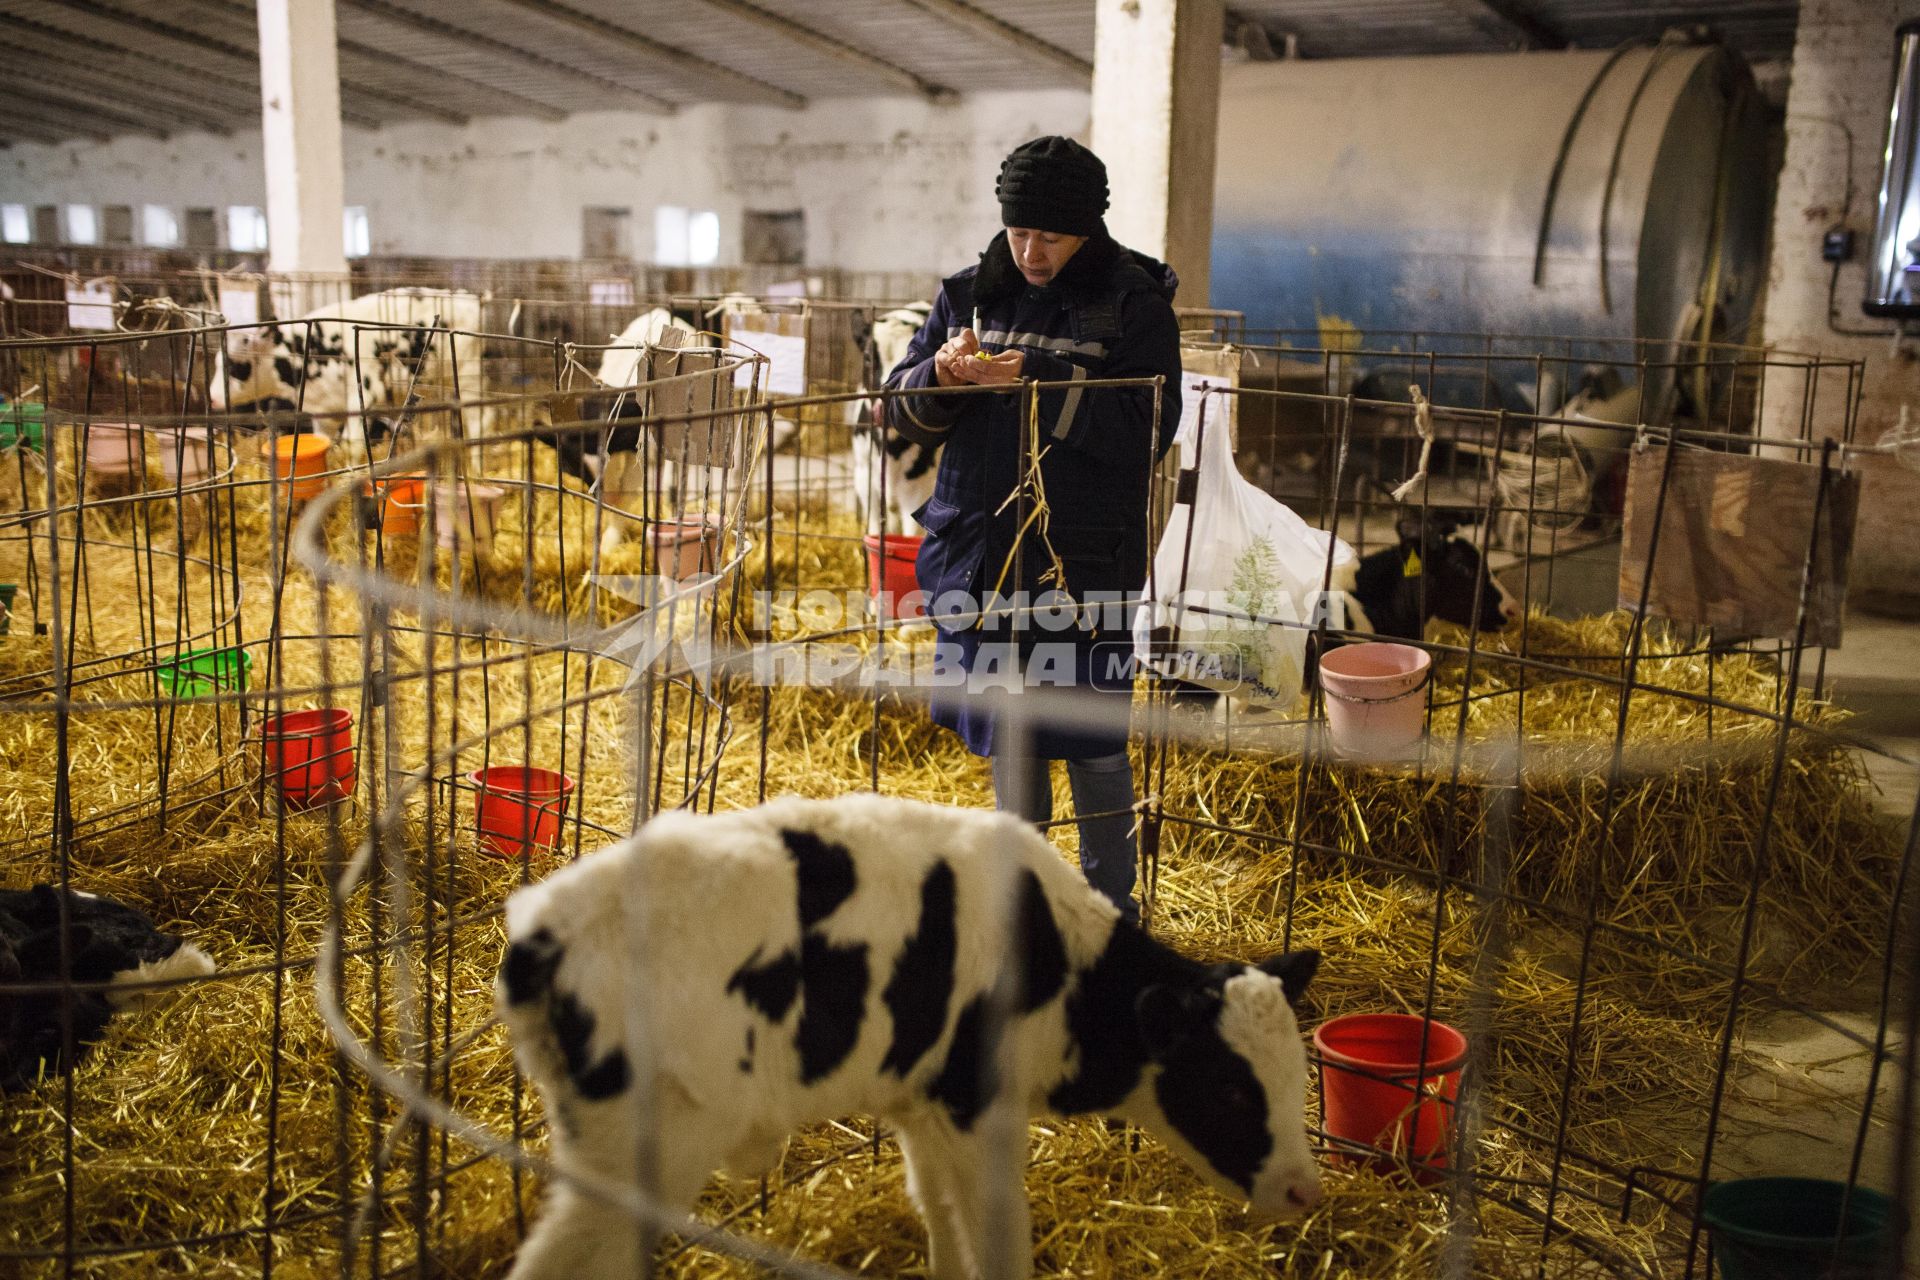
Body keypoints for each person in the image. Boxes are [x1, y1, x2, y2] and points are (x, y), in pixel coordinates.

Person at [881, 135, 1182, 922]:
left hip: (1076, 565)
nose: (1030, 251)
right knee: (1009, 731)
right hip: (982, 557)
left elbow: (1147, 425)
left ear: (1087, 228)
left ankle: (1110, 908)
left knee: (1092, 735)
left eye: (1049, 234)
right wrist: (939, 378)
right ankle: (1029, 905)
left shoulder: (1132, 304)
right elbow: (898, 407)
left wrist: (1038, 383)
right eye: (1018, 231)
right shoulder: (969, 294)